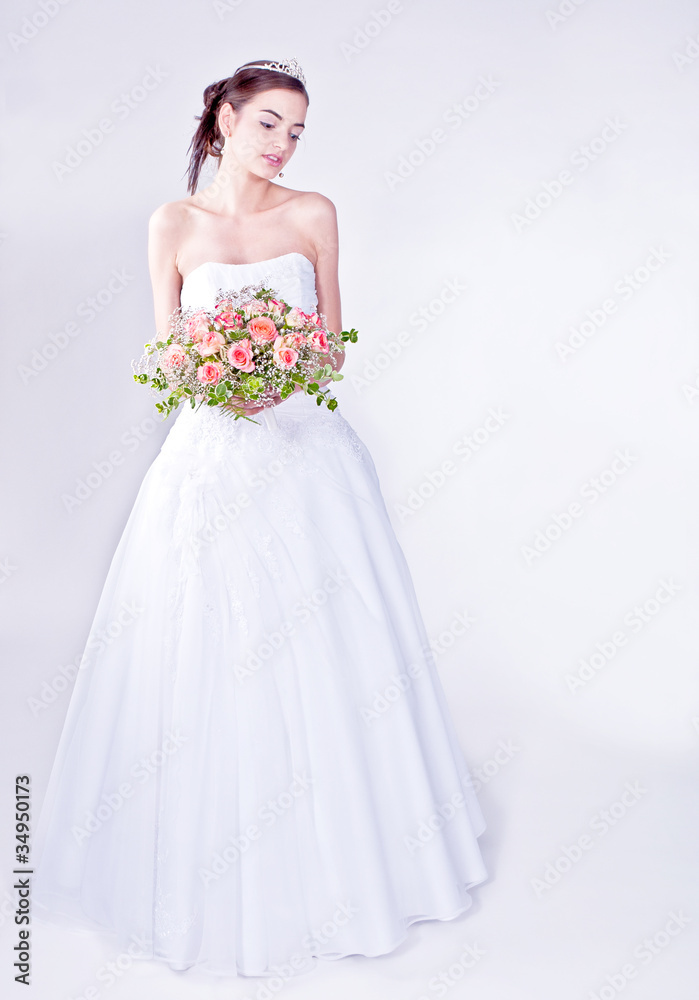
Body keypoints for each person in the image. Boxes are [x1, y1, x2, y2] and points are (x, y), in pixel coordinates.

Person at [33, 57, 488, 979]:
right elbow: (162, 354)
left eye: (297, 131)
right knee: (200, 638)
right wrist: (211, 376)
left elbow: (329, 348)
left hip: (300, 450)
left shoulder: (313, 214)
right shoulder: (172, 223)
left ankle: (350, 852)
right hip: (208, 453)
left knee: (326, 639)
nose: (283, 145)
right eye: (270, 123)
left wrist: (277, 370)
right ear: (224, 121)